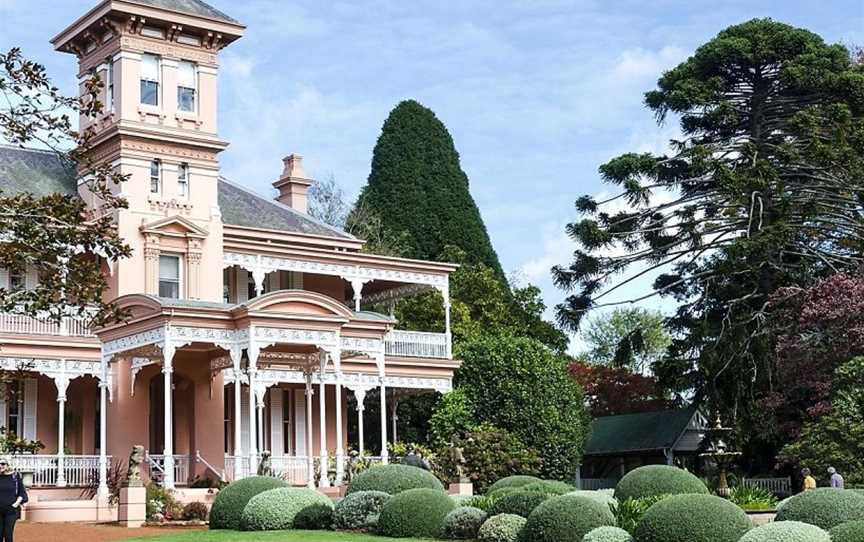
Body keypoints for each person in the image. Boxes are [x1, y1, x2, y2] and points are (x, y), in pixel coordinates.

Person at [0, 459, 27, 542]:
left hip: (11, 511)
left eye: (3, 464)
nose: (0, 466)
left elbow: (22, 492)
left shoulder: (14, 476)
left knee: (8, 535)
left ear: (7, 465)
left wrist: (15, 504)